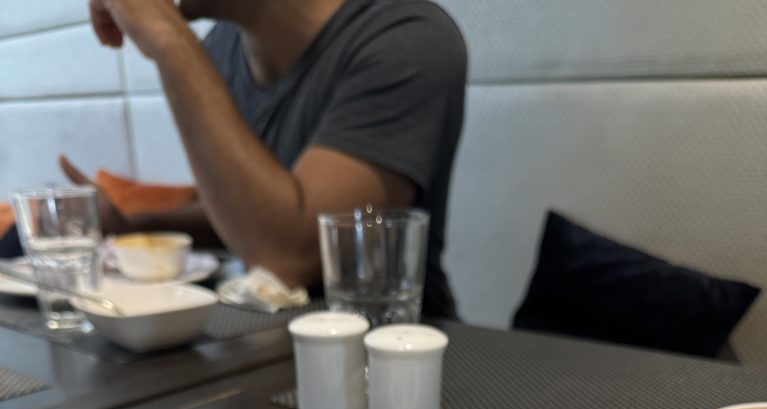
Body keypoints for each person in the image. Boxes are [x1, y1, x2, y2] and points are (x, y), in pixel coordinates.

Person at [60, 0, 468, 319]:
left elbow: (289, 258)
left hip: (391, 359)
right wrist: (129, 226)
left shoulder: (406, 39)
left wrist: (169, 39)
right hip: (263, 339)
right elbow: (242, 216)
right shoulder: (220, 48)